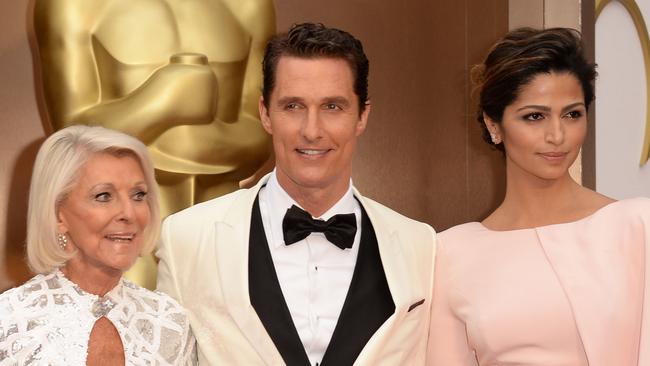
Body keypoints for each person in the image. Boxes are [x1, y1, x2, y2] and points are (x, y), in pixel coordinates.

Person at [157, 23, 437, 365]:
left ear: (362, 116)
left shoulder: (421, 246)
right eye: (293, 106)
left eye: (332, 107)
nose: (312, 130)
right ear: (265, 113)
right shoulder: (186, 236)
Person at [427, 27, 650, 365]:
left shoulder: (637, 226)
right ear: (494, 125)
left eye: (572, 114)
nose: (557, 135)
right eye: (535, 116)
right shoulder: (450, 253)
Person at [0, 126, 197, 365]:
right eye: (103, 196)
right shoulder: (9, 319)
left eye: (138, 195)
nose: (128, 213)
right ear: (58, 214)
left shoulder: (169, 322)